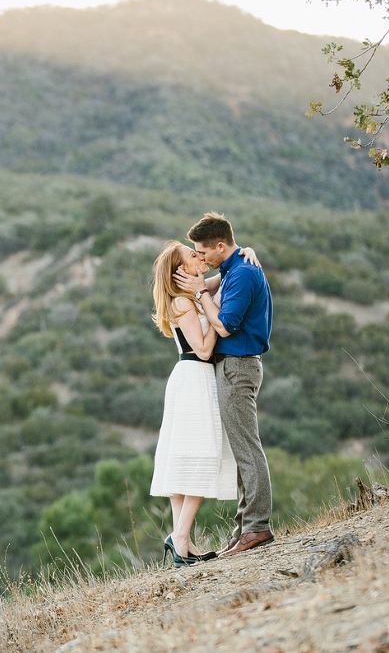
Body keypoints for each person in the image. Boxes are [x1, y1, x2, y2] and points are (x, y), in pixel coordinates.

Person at [147, 241, 254, 566]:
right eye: (193, 255)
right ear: (180, 270)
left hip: (193, 378)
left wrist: (248, 251)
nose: (200, 257)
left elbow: (224, 276)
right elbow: (205, 349)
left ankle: (182, 538)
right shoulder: (181, 302)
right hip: (196, 376)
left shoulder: (191, 293)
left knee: (186, 458)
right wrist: (220, 324)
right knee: (200, 455)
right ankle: (179, 538)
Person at [175, 212, 274, 557]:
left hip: (237, 366)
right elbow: (214, 281)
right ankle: (244, 528)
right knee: (241, 449)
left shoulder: (243, 272)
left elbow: (226, 326)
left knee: (247, 448)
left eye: (202, 252)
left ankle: (257, 528)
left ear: (220, 246)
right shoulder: (235, 268)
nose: (199, 258)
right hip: (232, 367)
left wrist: (201, 292)